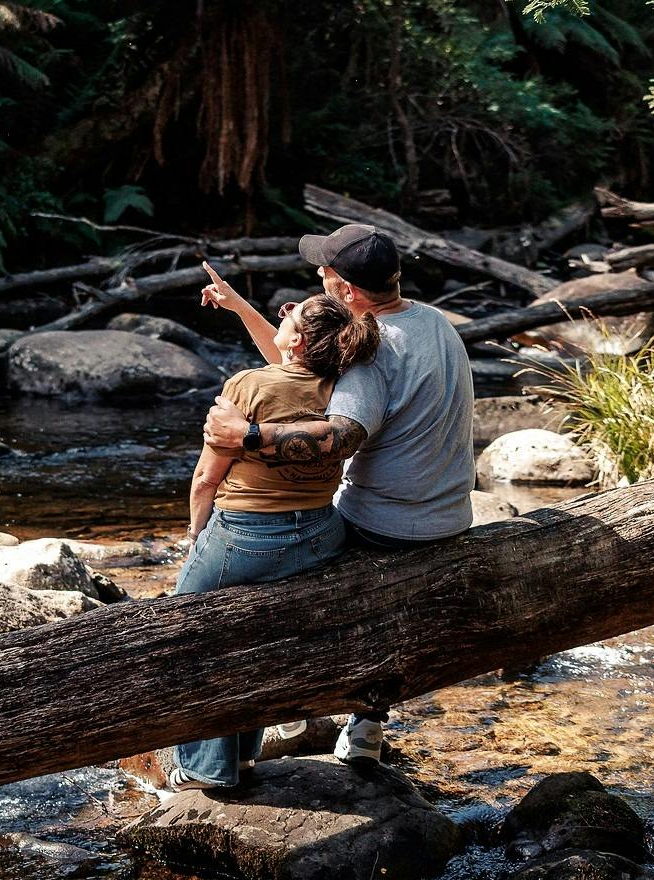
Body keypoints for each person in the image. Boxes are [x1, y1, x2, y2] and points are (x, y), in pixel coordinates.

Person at [199, 224, 476, 764]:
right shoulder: (433, 321)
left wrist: (249, 436)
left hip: (383, 526)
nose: (316, 278)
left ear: (347, 292)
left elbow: (337, 439)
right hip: (448, 516)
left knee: (259, 582)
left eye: (323, 274)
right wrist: (240, 308)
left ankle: (269, 717)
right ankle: (365, 727)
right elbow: (293, 372)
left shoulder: (372, 353)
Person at [166, 292, 381, 790]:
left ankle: (205, 769)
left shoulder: (246, 386)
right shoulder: (340, 387)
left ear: (300, 341)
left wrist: (198, 536)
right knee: (259, 637)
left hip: (247, 536)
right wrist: (243, 308)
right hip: (321, 533)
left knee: (192, 640)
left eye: (292, 313)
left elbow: (205, 478)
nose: (281, 311)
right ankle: (244, 755)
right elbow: (288, 368)